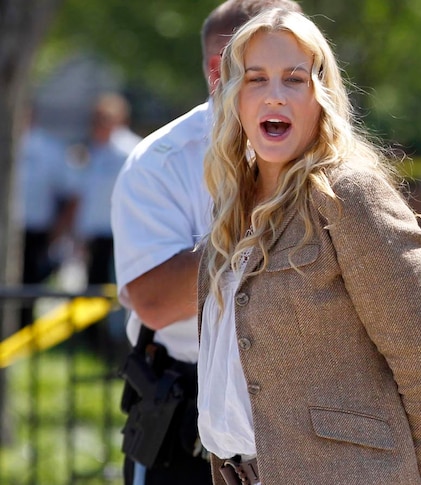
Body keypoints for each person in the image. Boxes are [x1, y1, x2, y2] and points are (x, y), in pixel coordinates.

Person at [197, 9, 421, 485]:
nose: (274, 95)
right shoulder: (231, 206)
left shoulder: (349, 194)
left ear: (320, 95)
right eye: (256, 79)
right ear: (235, 96)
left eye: (294, 79)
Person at [110, 1, 302, 484]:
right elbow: (153, 302)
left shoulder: (334, 154)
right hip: (189, 414)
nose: (284, 90)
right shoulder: (164, 161)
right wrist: (261, 214)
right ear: (221, 71)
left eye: (299, 69)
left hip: (305, 399)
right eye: (262, 70)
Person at [16, 109, 77, 328]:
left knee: (27, 291)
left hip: (35, 232)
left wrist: (57, 232)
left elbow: (70, 195)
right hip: (12, 230)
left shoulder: (49, 148)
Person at [74, 92, 141, 287]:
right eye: (95, 119)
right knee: (93, 290)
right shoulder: (93, 150)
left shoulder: (130, 150)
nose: (98, 124)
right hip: (95, 233)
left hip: (121, 234)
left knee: (116, 290)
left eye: (104, 118)